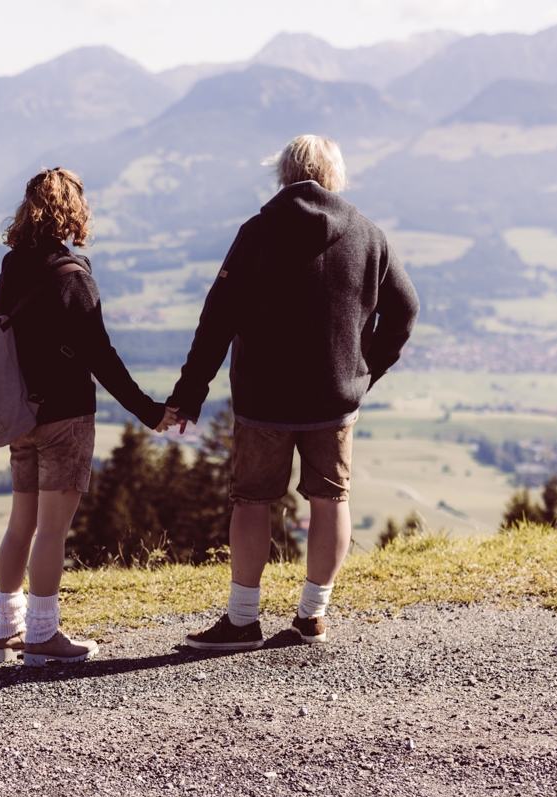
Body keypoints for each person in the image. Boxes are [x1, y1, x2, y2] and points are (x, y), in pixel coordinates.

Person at [157, 135, 419, 650]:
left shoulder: (258, 233)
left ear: (284, 173)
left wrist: (189, 393)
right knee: (330, 498)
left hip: (263, 400)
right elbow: (405, 310)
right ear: (335, 175)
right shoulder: (368, 235)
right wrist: (365, 373)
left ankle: (241, 620)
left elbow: (217, 320)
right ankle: (312, 617)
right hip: (335, 399)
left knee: (252, 501)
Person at [0, 167, 167, 666]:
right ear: (74, 211)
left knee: (20, 524)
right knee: (51, 531)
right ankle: (43, 636)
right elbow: (102, 357)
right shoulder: (73, 278)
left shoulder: (11, 269)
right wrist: (148, 411)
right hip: (65, 417)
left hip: (20, 415)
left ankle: (9, 633)